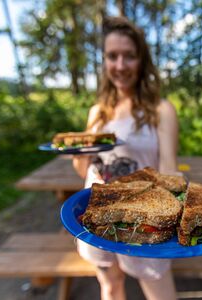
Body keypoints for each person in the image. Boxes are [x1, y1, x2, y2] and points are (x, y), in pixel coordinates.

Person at [72, 16, 178, 300]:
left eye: (129, 56)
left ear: (142, 60)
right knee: (110, 285)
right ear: (104, 61)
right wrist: (80, 152)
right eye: (112, 56)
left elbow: (169, 169)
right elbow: (84, 168)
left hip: (142, 219)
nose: (120, 66)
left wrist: (174, 210)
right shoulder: (98, 112)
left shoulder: (160, 110)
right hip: (94, 214)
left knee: (158, 290)